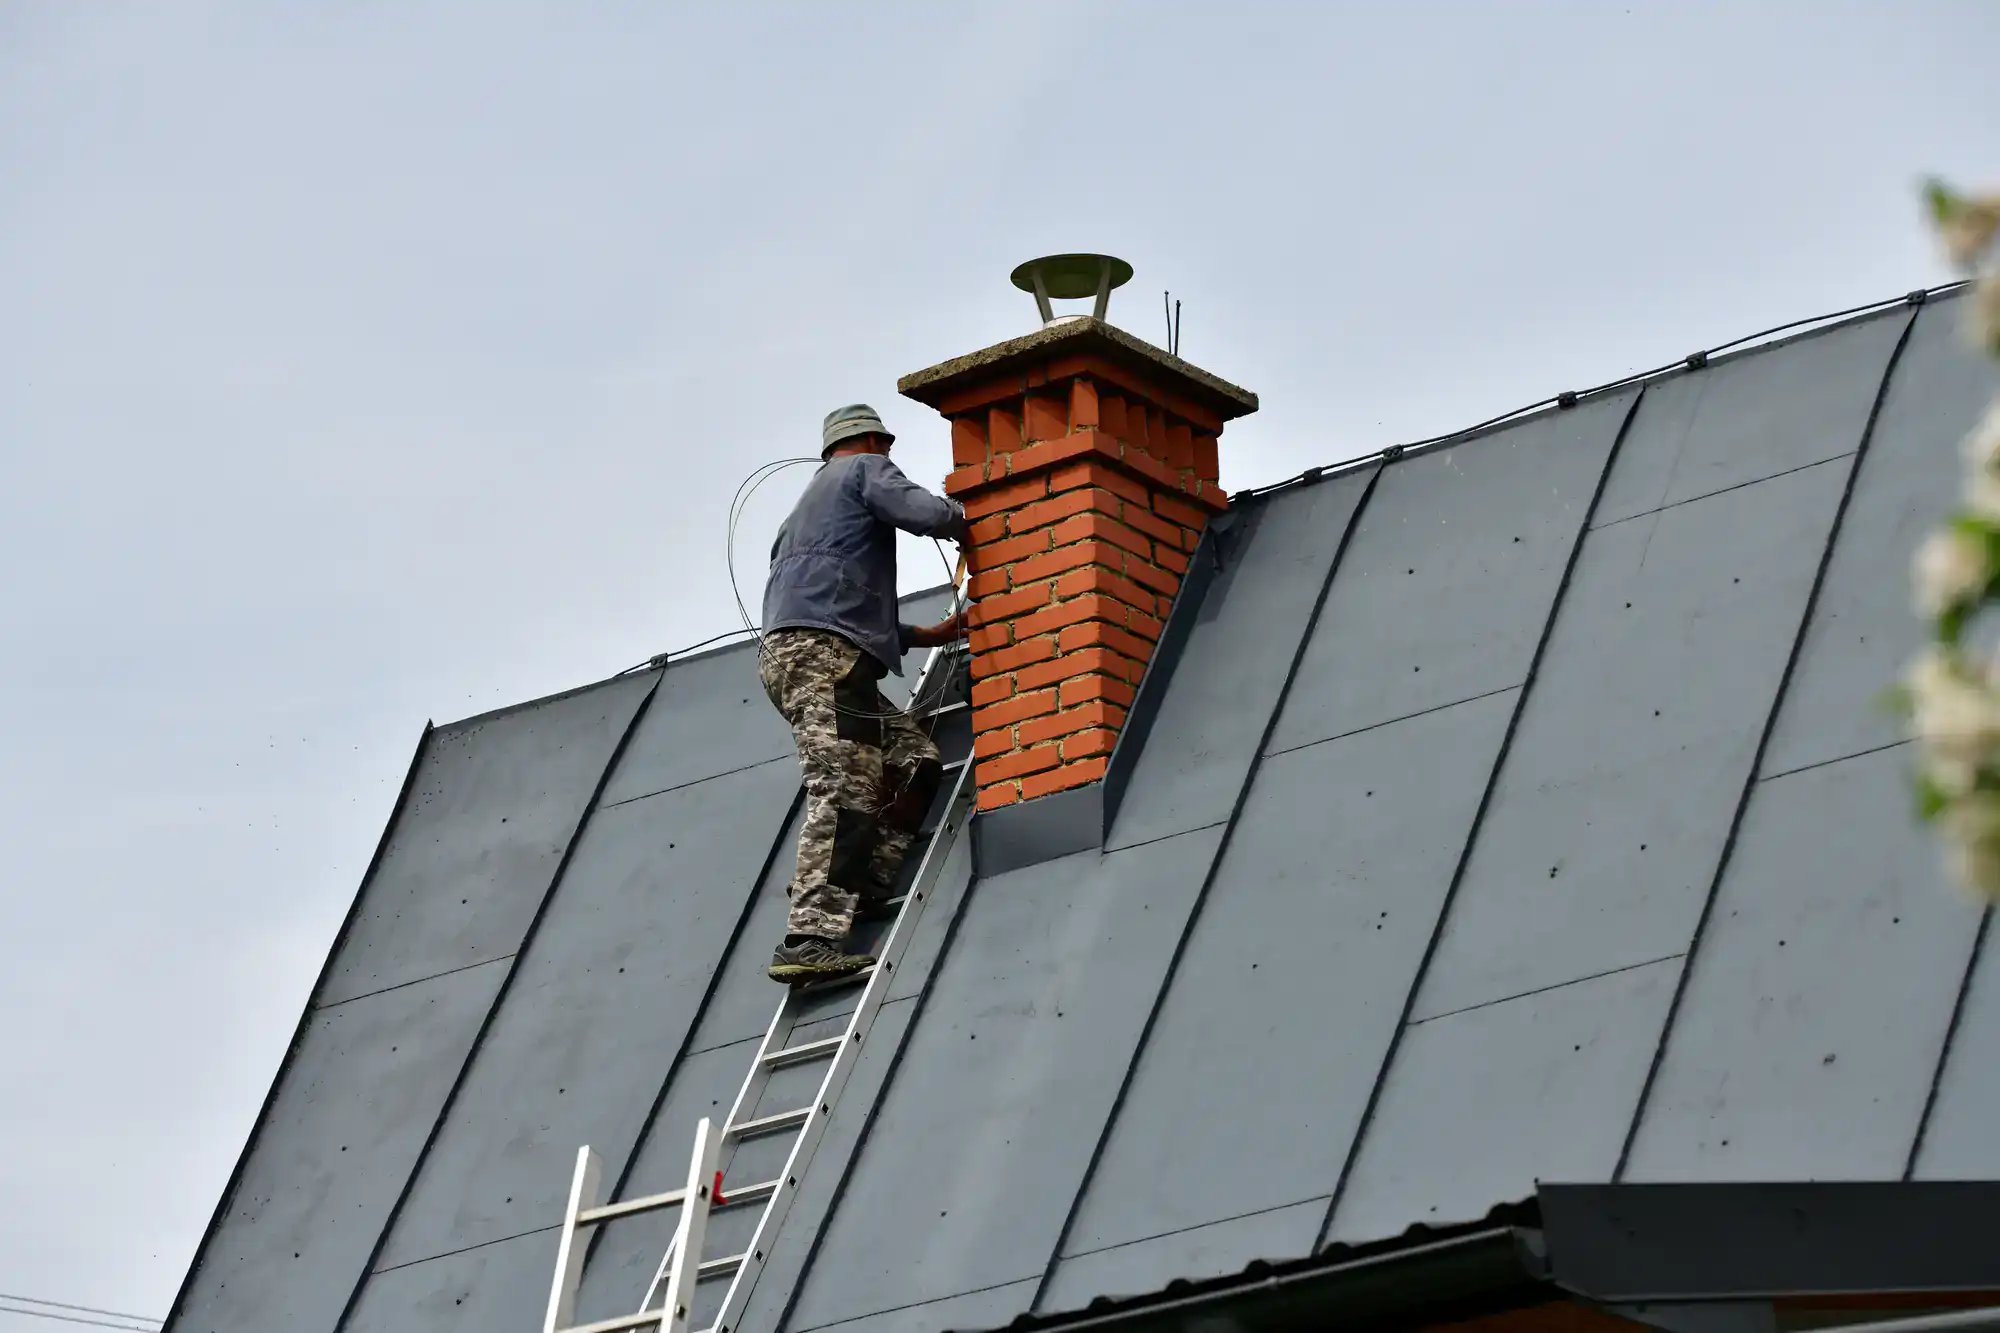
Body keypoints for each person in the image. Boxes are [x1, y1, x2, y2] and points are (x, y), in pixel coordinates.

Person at [759, 403, 968, 984]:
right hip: (824, 659)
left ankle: (866, 886)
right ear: (875, 439)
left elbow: (829, 601)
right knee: (844, 785)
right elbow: (924, 512)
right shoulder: (863, 470)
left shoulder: (801, 515)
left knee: (914, 761)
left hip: (800, 656)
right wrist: (979, 521)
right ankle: (809, 938)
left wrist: (927, 635)